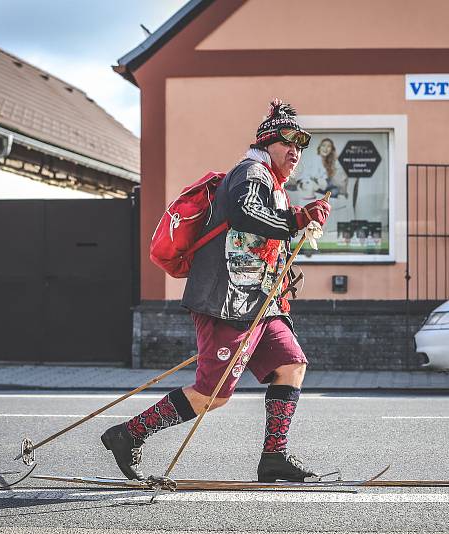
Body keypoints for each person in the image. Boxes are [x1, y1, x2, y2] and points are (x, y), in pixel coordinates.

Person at [101, 99, 331, 482]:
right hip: (227, 303)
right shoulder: (251, 172)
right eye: (287, 144)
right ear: (267, 143)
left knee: (291, 365)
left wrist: (284, 267)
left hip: (259, 303)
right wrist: (296, 218)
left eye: (299, 148)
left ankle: (274, 458)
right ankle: (128, 435)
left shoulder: (272, 184)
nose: (295, 153)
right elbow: (244, 214)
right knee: (214, 394)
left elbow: (252, 240)